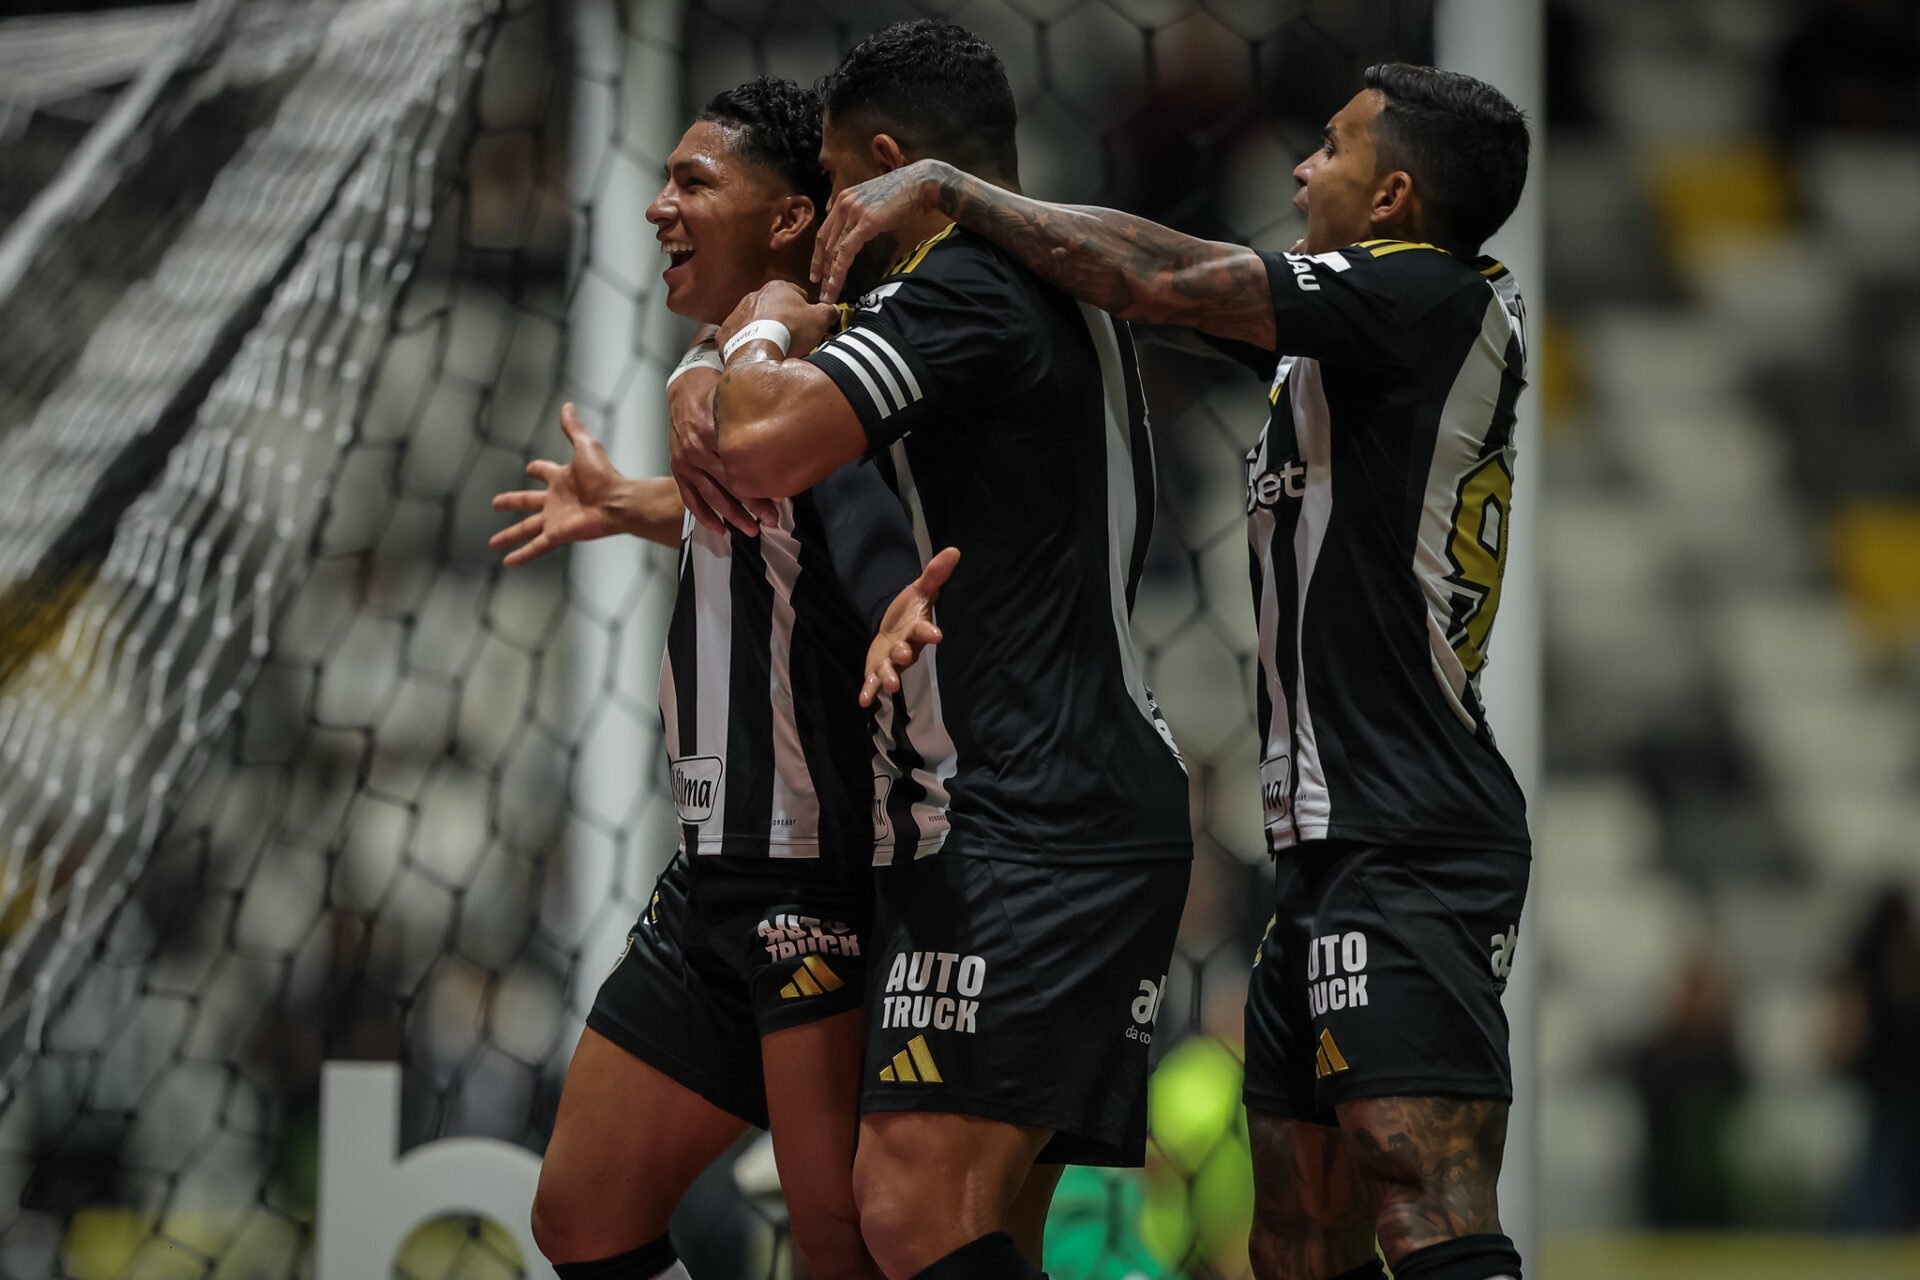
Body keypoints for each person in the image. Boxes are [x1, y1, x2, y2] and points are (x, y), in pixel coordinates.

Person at [814, 63, 1534, 1280]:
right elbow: (1153, 302)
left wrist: (953, 190)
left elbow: (1158, 277)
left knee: (1424, 1198)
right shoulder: (1346, 348)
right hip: (1322, 838)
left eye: (1333, 148)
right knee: (1296, 1232)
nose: (1301, 167)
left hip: (1413, 830)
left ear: (1393, 194)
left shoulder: (1427, 294)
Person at [699, 20, 1193, 1280]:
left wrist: (758, 325)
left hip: (1039, 807)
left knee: (909, 1208)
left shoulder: (964, 285)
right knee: (980, 1218)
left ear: (878, 163)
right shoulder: (1049, 285)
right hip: (1059, 795)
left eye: (830, 181)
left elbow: (760, 445)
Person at [493, 75, 918, 1280]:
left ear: (790, 220)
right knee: (581, 1214)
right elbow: (759, 505)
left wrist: (896, 611)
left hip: (809, 862)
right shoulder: (735, 377)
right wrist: (630, 499)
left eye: (693, 184)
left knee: (836, 1238)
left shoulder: (826, 372)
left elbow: (850, 509)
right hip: (714, 871)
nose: (656, 208)